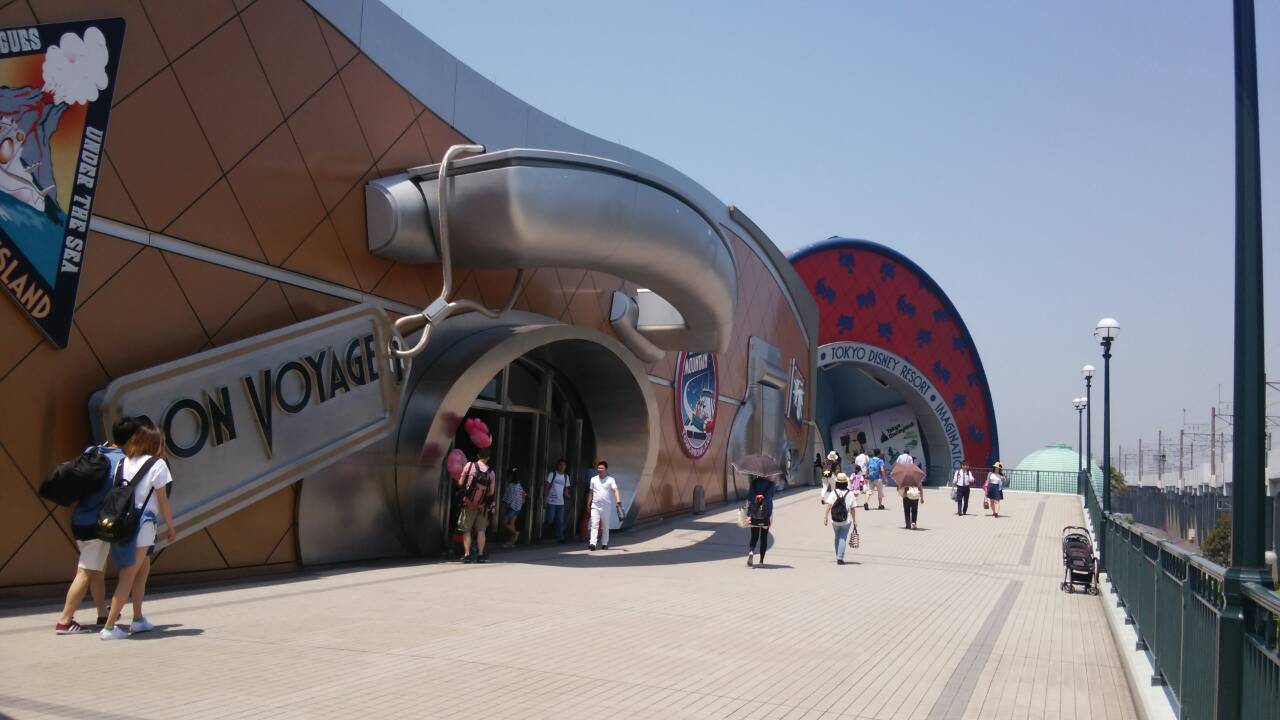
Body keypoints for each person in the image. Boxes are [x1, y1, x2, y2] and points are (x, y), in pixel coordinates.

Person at [55, 416, 139, 635]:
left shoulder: (94, 451)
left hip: (79, 520)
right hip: (99, 524)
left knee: (97, 570)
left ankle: (102, 613)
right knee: (85, 572)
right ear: (132, 439)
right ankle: (65, 621)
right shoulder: (124, 462)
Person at [99, 419, 176, 640]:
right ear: (155, 443)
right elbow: (163, 500)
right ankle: (109, 626)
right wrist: (171, 526)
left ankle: (138, 618)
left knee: (142, 569)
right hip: (144, 523)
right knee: (129, 574)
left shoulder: (122, 463)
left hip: (124, 523)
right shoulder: (158, 465)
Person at [456, 449, 497, 563]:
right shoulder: (491, 472)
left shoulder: (469, 466)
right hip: (481, 507)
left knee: (466, 530)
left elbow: (461, 483)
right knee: (481, 530)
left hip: (468, 504)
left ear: (478, 455)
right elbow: (491, 492)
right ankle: (480, 555)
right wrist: (482, 502)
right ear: (488, 458)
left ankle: (467, 554)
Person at [823, 473, 858, 565]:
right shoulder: (850, 493)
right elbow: (853, 508)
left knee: (837, 537)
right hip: (846, 520)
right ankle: (840, 558)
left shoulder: (833, 492)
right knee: (842, 537)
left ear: (837, 483)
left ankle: (838, 555)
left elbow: (829, 505)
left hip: (835, 520)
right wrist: (855, 521)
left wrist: (825, 517)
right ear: (846, 483)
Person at [587, 461, 622, 550]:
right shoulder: (593, 479)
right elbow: (590, 492)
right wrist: (588, 503)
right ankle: (592, 543)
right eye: (599, 468)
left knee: (605, 526)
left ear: (605, 469)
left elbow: (615, 490)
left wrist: (618, 501)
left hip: (606, 506)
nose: (600, 469)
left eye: (602, 468)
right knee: (594, 524)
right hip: (595, 505)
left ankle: (604, 543)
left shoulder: (610, 480)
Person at [745, 474, 776, 567]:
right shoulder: (771, 484)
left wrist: (748, 514)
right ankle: (761, 562)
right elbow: (771, 496)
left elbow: (749, 499)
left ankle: (751, 551)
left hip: (754, 513)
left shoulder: (753, 483)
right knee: (764, 537)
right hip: (766, 514)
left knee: (754, 536)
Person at [543, 458, 571, 543]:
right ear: (558, 466)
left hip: (561, 502)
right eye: (560, 465)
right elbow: (546, 487)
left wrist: (568, 495)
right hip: (551, 501)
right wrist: (545, 500)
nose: (562, 467)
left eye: (564, 465)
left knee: (560, 521)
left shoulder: (566, 476)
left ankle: (560, 537)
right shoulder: (552, 474)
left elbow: (566, 490)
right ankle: (542, 532)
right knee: (550, 519)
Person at [500, 474, 526, 548]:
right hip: (518, 506)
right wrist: (522, 501)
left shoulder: (510, 486)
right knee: (512, 523)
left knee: (504, 522)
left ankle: (515, 533)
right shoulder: (519, 485)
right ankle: (512, 542)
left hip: (512, 507)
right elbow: (523, 493)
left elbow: (507, 497)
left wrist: (504, 503)